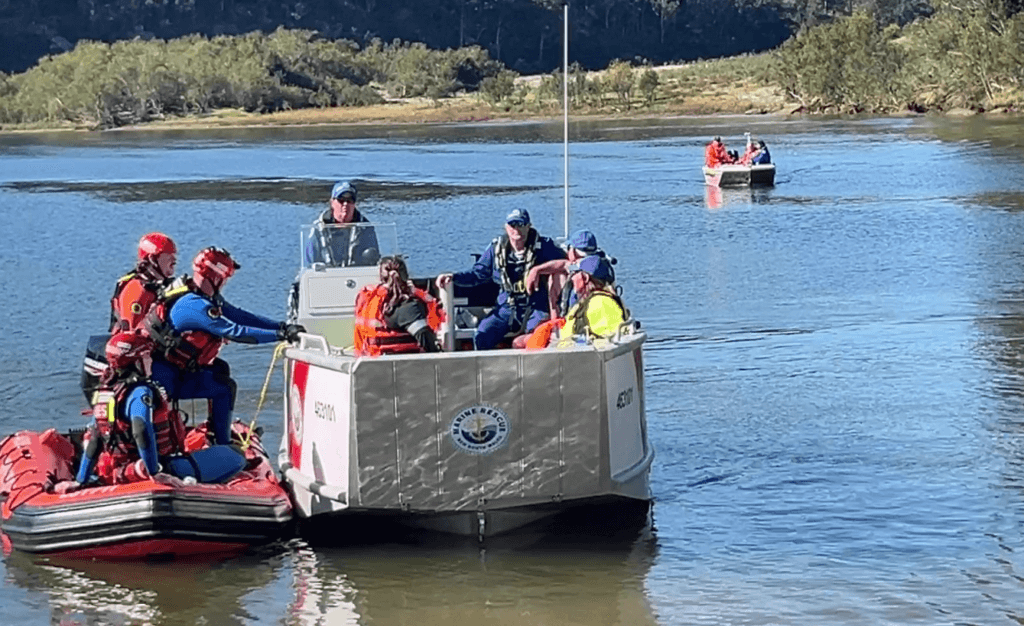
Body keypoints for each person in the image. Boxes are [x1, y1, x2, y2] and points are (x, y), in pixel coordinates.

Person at [145, 247, 305, 446]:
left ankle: (215, 432)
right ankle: (222, 444)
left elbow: (239, 316)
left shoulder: (201, 296)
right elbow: (235, 331)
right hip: (166, 376)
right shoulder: (195, 306)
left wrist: (281, 327)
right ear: (215, 276)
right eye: (225, 278)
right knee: (225, 388)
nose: (226, 283)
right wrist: (280, 336)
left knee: (220, 368)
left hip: (174, 368)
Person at [73, 331, 246, 487]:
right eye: (147, 356)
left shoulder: (104, 393)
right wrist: (155, 472)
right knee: (236, 456)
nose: (150, 361)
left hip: (120, 470)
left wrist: (81, 480)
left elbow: (95, 439)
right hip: (157, 467)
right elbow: (140, 428)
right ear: (137, 360)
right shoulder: (140, 393)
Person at [435, 208, 566, 350]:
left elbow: (566, 263)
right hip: (506, 307)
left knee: (536, 340)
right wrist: (453, 277)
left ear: (529, 226)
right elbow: (478, 274)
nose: (517, 230)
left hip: (535, 306)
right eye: (512, 225)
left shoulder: (544, 246)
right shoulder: (496, 249)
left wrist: (538, 270)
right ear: (506, 227)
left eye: (521, 225)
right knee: (482, 335)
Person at [523, 255, 627, 349]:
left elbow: (612, 339)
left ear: (585, 278)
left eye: (575, 274)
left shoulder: (600, 303)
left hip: (575, 362)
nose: (572, 278)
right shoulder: (587, 302)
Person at [353, 256, 443, 355]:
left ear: (381, 277)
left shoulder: (367, 297)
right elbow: (423, 334)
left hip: (370, 358)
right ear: (406, 276)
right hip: (401, 363)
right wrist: (436, 352)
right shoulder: (407, 306)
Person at [110, 232, 177, 332]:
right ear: (152, 259)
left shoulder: (163, 285)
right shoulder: (136, 290)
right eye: (168, 255)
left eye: (174, 254)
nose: (174, 259)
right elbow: (132, 332)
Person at [304, 180, 380, 267]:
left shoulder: (366, 228)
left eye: (350, 200)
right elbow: (308, 265)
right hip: (326, 277)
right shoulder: (317, 229)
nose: (345, 204)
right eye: (341, 200)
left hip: (358, 276)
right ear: (332, 202)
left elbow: (374, 261)